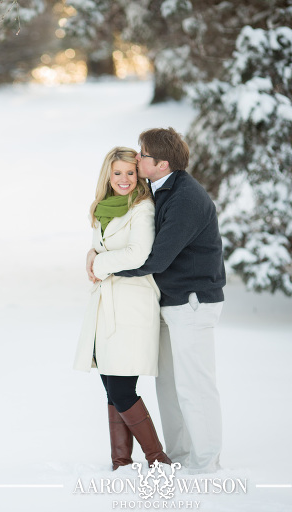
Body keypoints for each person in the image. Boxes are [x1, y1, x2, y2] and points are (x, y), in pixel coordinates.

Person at [89, 128, 226, 474]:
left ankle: (207, 462)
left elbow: (155, 258)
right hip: (169, 302)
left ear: (161, 164)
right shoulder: (161, 189)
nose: (137, 159)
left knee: (195, 384)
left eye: (143, 155)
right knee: (168, 385)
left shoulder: (185, 198)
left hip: (192, 302)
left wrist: (103, 267)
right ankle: (179, 456)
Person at [75, 147, 172, 470]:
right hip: (107, 304)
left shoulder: (142, 208)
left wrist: (99, 262)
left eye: (130, 172)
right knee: (110, 386)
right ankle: (121, 462)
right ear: (108, 175)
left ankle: (158, 460)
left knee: (122, 387)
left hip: (131, 303)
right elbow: (102, 245)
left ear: (139, 175)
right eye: (117, 173)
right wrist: (92, 254)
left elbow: (138, 254)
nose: (124, 179)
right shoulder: (103, 208)